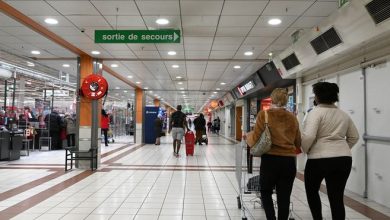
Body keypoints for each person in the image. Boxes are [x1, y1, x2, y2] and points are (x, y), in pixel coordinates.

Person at [302, 82, 359, 220]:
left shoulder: (315, 113)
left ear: (317, 96)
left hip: (319, 159)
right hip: (343, 159)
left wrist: (306, 149)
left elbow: (309, 136)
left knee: (312, 191)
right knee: (336, 196)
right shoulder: (343, 115)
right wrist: (342, 149)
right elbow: (354, 137)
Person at [244, 88, 301, 220]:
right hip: (289, 162)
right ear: (286, 100)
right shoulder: (293, 117)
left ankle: (271, 218)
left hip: (270, 160)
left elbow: (256, 138)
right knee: (284, 196)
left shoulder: (264, 115)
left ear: (272, 99)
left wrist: (247, 137)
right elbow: (298, 142)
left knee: (265, 191)